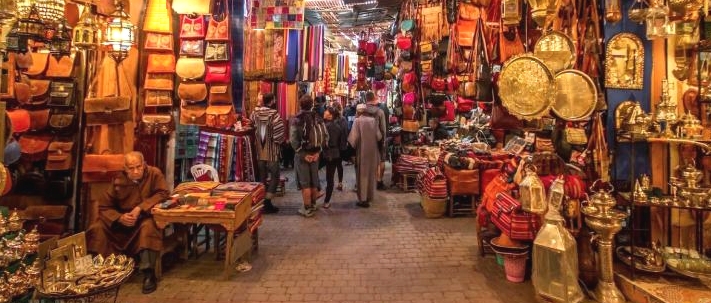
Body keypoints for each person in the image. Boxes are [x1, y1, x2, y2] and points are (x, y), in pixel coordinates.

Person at [86, 151, 169, 294]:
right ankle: (101, 271)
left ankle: (148, 274)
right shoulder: (118, 179)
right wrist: (119, 217)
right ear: (125, 169)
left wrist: (140, 208)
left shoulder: (154, 174)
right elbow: (105, 206)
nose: (136, 171)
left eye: (138, 167)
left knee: (148, 228)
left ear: (144, 165)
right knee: (97, 228)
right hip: (122, 222)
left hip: (144, 218)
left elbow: (163, 193)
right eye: (131, 168)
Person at [290, 95, 328, 217]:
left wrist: (302, 154)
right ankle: (313, 204)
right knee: (314, 180)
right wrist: (318, 152)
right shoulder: (317, 117)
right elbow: (325, 136)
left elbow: (293, 139)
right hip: (315, 154)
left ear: (300, 105)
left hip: (302, 155)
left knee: (305, 183)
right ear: (312, 104)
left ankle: (307, 208)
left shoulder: (296, 119)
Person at [250, 93, 285, 214]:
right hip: (272, 151)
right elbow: (279, 132)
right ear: (272, 101)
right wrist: (279, 142)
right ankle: (268, 201)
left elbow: (251, 126)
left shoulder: (255, 113)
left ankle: (260, 201)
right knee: (274, 176)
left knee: (262, 177)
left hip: (259, 150)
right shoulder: (274, 114)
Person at [348, 104, 382, 208]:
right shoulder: (373, 121)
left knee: (362, 175)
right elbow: (379, 137)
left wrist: (351, 154)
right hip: (372, 152)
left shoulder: (357, 121)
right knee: (371, 174)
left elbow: (353, 139)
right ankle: (369, 197)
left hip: (361, 152)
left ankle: (362, 199)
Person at [322, 107, 348, 208]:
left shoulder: (327, 126)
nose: (324, 112)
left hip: (327, 154)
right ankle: (326, 200)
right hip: (335, 153)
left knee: (329, 178)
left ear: (331, 115)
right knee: (330, 178)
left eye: (326, 111)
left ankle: (325, 199)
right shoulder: (337, 126)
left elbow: (323, 142)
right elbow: (342, 143)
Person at [364, 92, 388, 190]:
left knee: (367, 161)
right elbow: (383, 129)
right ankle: (379, 181)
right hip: (377, 139)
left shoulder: (361, 111)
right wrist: (384, 140)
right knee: (381, 160)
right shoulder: (380, 112)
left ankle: (368, 181)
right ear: (374, 98)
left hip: (365, 140)